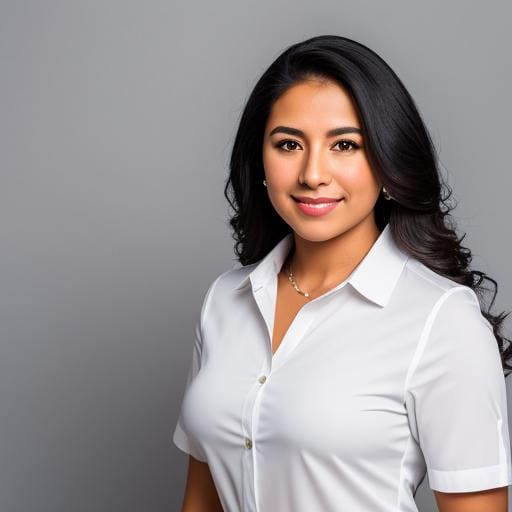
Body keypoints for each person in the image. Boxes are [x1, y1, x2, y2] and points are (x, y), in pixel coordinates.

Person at [172, 35, 512, 512]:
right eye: (289, 144)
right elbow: (200, 500)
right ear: (260, 160)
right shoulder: (224, 301)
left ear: (387, 161)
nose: (313, 173)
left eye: (345, 145)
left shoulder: (441, 321)